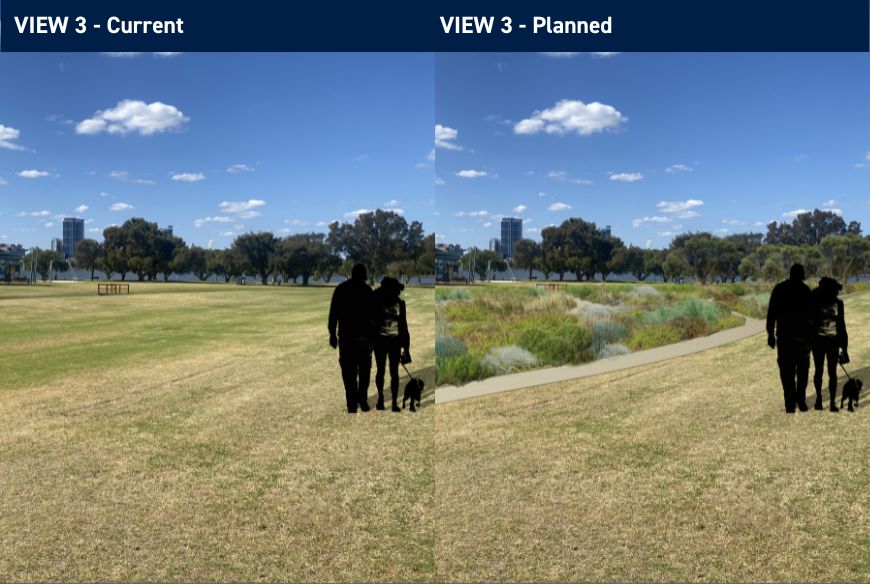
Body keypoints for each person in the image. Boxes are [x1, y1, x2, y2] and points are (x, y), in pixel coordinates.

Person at [766, 263, 813, 413]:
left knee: (787, 373)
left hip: (784, 340)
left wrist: (770, 335)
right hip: (802, 340)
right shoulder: (805, 290)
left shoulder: (779, 289)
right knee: (802, 372)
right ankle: (800, 400)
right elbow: (813, 318)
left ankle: (790, 404)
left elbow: (771, 315)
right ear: (801, 275)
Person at [328, 264, 374, 413]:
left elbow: (333, 314)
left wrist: (332, 335)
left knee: (348, 372)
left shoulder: (340, 289)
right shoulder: (367, 291)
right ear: (364, 275)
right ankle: (363, 400)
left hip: (346, 339)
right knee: (364, 371)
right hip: (364, 340)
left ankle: (351, 404)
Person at [372, 277, 411, 412]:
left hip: (394, 342)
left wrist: (406, 348)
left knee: (393, 372)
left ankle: (393, 402)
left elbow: (404, 327)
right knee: (381, 371)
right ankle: (381, 399)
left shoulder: (401, 304)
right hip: (380, 342)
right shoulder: (377, 302)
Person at [810, 277, 848, 412]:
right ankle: (826, 402)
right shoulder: (834, 303)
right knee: (826, 372)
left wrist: (844, 348)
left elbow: (842, 326)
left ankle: (824, 401)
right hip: (825, 342)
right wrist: (844, 348)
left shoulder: (819, 302)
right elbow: (842, 326)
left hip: (824, 342)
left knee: (824, 372)